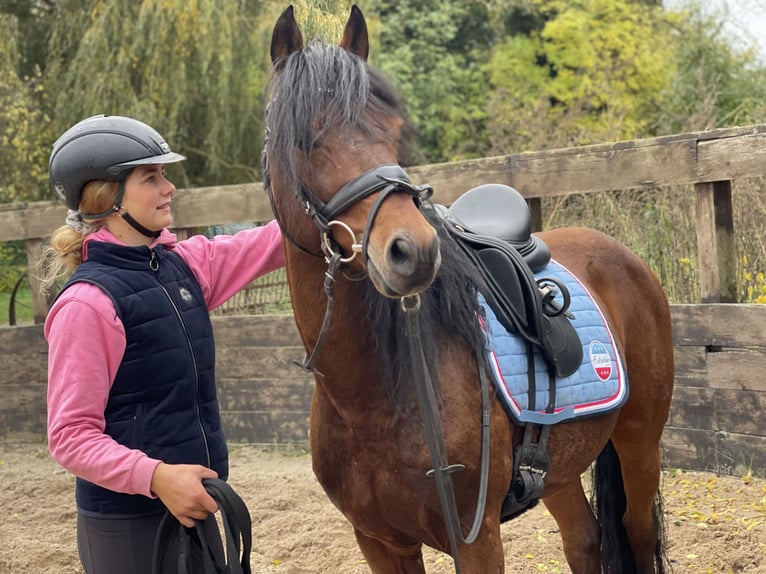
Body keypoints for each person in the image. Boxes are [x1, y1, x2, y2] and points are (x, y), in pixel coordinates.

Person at [40, 114, 285, 574]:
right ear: (108, 197)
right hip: (131, 526)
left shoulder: (182, 266)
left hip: (193, 504)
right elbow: (70, 436)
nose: (168, 187)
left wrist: (334, 197)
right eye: (151, 177)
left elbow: (271, 242)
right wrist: (156, 477)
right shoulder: (88, 305)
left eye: (164, 175)